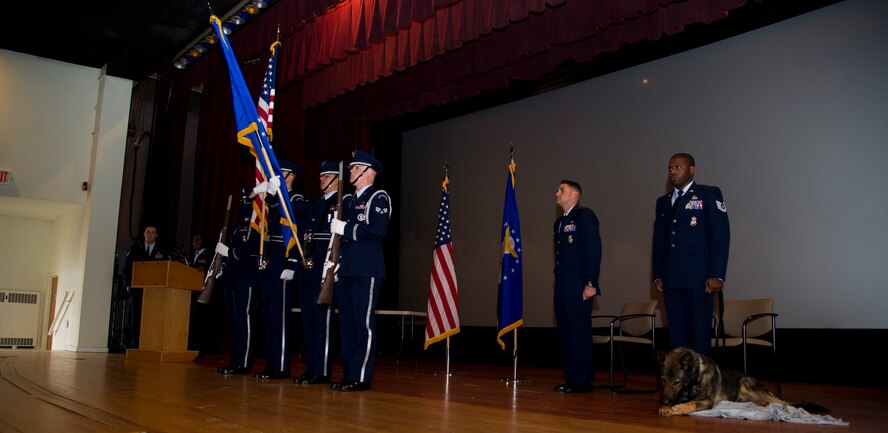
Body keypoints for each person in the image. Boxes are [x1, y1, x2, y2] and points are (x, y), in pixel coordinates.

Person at [652, 153, 730, 356]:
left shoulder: (708, 194)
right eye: (670, 168)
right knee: (677, 336)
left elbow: (720, 236)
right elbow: (659, 241)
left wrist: (717, 274)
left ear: (691, 169)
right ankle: (681, 385)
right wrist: (658, 273)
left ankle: (701, 385)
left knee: (699, 335)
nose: (672, 172)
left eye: (678, 167)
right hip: (672, 277)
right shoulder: (663, 202)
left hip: (700, 278)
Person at [329, 150, 392, 392]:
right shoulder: (347, 201)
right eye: (352, 168)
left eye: (356, 168)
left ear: (369, 172)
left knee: (362, 323)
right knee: (346, 324)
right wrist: (334, 263)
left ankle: (362, 377)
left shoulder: (379, 197)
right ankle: (349, 374)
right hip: (346, 268)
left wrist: (346, 228)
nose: (351, 172)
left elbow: (378, 230)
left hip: (367, 268)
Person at [254, 160, 305, 379]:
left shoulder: (296, 199)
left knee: (281, 316)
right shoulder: (274, 200)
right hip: (272, 259)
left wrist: (292, 262)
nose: (275, 177)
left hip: (285, 259)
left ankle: (282, 365)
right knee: (269, 314)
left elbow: (296, 232)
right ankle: (271, 363)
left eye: (281, 174)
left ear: (290, 177)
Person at [552, 180, 602, 393]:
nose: (557, 193)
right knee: (566, 333)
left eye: (561, 190)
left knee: (579, 333)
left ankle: (582, 380)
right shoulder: (560, 223)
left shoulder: (584, 216)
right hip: (563, 286)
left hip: (579, 286)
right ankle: (571, 378)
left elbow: (593, 250)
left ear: (574, 195)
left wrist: (591, 282)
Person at [293, 161, 339, 385]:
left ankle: (321, 371)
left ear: (336, 178)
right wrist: (278, 190)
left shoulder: (343, 201)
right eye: (320, 176)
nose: (321, 179)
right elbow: (291, 208)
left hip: (325, 266)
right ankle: (311, 368)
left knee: (322, 321)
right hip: (308, 266)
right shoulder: (314, 202)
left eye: (327, 175)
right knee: (309, 320)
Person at [215, 190, 261, 375]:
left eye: (247, 200)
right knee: (235, 322)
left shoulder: (257, 225)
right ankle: (235, 360)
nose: (244, 204)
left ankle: (244, 362)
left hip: (247, 278)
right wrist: (221, 267)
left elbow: (253, 249)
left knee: (245, 321)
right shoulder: (236, 227)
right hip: (232, 278)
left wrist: (230, 252)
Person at [122, 225, 166, 348]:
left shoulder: (162, 250)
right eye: (148, 232)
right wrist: (128, 284)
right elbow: (126, 268)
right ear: (144, 234)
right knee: (135, 316)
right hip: (137, 289)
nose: (150, 234)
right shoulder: (135, 249)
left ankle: (150, 343)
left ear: (156, 235)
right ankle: (134, 344)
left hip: (155, 290)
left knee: (152, 316)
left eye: (153, 232)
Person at [187, 234, 211, 361]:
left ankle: (199, 351)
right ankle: (191, 348)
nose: (195, 242)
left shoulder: (208, 254)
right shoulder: (192, 255)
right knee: (191, 322)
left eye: (198, 239)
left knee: (199, 323)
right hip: (191, 292)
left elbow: (204, 270)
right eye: (193, 240)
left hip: (202, 293)